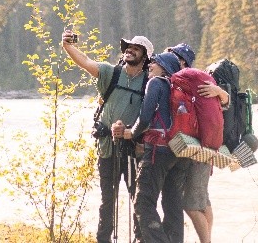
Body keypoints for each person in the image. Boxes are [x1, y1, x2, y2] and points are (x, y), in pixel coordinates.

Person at [62, 29, 153, 243]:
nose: (129, 50)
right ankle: (103, 240)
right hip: (107, 148)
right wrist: (68, 46)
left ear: (145, 56)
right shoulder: (110, 73)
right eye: (127, 47)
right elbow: (85, 61)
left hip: (133, 151)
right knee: (107, 201)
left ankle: (140, 239)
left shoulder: (151, 83)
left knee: (137, 199)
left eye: (135, 48)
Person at [112, 52, 190, 243]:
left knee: (143, 202)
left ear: (165, 68)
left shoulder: (156, 83)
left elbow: (145, 118)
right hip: (178, 150)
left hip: (157, 150)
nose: (150, 65)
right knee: (172, 202)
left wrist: (131, 133)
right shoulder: (178, 87)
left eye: (155, 62)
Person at [167, 43, 229, 243]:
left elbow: (224, 103)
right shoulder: (187, 81)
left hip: (198, 149)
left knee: (193, 204)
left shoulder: (191, 81)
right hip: (203, 147)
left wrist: (220, 92)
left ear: (183, 61)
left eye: (173, 56)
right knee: (202, 200)